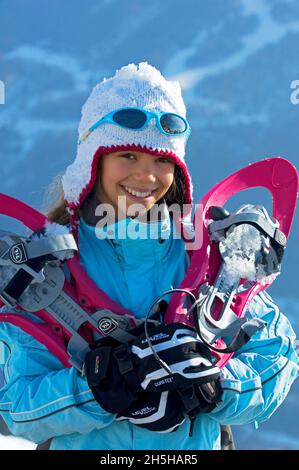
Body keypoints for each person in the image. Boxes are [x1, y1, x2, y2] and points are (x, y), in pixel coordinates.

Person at [0, 62, 298, 451]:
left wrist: (217, 385)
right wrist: (97, 389)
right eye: (127, 155)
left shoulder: (208, 260)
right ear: (94, 161)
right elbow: (15, 404)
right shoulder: (46, 272)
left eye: (162, 160)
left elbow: (280, 352)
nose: (146, 177)